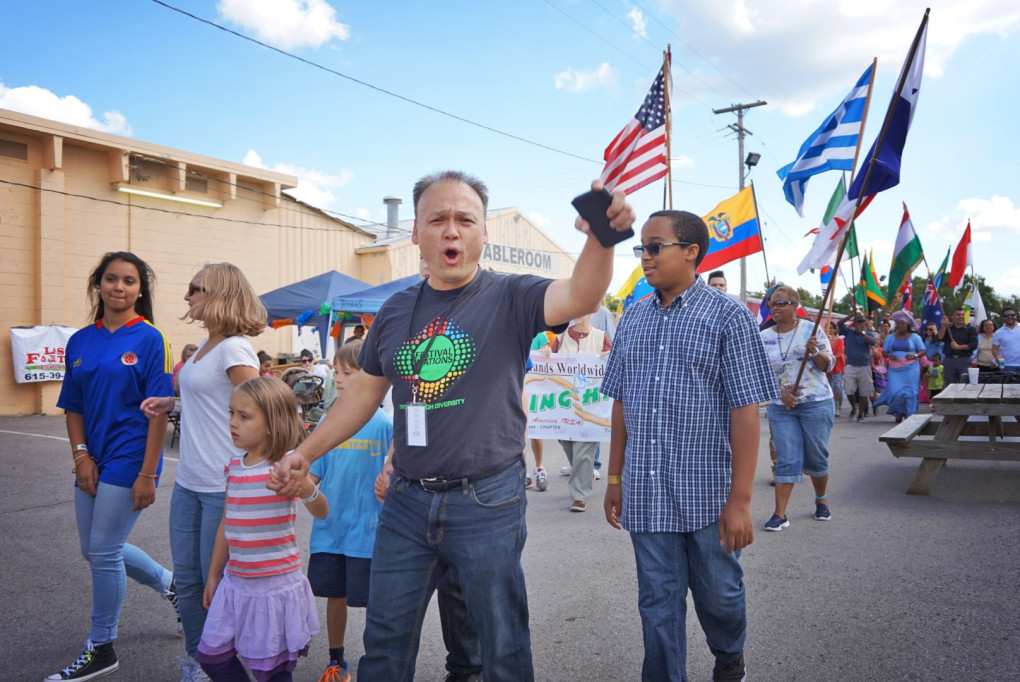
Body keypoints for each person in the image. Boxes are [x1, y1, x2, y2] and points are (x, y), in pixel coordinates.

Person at [269, 171, 634, 681]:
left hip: (488, 500)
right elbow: (362, 396)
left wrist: (601, 236)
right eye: (437, 219)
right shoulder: (395, 311)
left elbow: (582, 295)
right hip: (405, 501)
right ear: (415, 232)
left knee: (501, 645)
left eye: (465, 219)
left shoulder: (511, 296)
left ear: (484, 232)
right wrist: (305, 453)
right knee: (385, 645)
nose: (451, 230)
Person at [601, 210, 776, 681]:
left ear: (691, 251)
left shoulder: (729, 316)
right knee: (657, 604)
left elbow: (745, 410)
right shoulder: (632, 317)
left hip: (710, 494)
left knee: (720, 595)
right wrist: (614, 478)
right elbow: (621, 402)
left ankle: (729, 655)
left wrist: (741, 501)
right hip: (646, 489)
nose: (645, 257)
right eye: (641, 248)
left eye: (655, 246)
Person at [49, 252, 179, 682]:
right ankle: (171, 585)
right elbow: (73, 406)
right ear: (98, 284)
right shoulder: (80, 341)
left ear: (140, 290)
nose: (118, 287)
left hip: (131, 456)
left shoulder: (151, 339)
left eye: (128, 280)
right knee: (95, 550)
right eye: (111, 279)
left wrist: (148, 473)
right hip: (93, 455)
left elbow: (158, 412)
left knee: (104, 551)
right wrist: (81, 456)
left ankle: (102, 646)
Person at [141, 262, 265, 682]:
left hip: (221, 486)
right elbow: (213, 404)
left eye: (194, 288)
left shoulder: (234, 348)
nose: (186, 296)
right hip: (190, 483)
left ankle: (223, 664)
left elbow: (261, 407)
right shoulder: (208, 345)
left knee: (218, 587)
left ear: (219, 293)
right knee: (191, 583)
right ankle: (201, 663)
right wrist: (171, 404)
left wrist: (259, 470)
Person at [195, 378, 327, 682]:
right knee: (213, 657)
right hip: (236, 582)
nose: (232, 422)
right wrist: (214, 574)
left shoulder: (285, 466)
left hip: (274, 585)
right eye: (231, 413)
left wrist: (304, 486)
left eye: (244, 416)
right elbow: (226, 524)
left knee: (272, 672)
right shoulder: (233, 466)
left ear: (271, 423)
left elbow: (322, 510)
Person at [306, 339, 393, 681]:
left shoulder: (386, 424)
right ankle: (336, 659)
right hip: (331, 529)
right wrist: (300, 483)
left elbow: (395, 471)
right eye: (336, 371)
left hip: (370, 532)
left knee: (377, 602)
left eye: (348, 372)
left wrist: (389, 478)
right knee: (335, 595)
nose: (338, 378)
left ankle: (378, 660)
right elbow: (315, 471)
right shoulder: (328, 420)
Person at [760, 285, 835, 532]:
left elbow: (828, 365)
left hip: (816, 402)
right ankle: (780, 514)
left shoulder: (811, 331)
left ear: (795, 306)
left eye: (781, 302)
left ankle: (821, 500)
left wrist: (814, 351)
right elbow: (758, 373)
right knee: (786, 457)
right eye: (772, 303)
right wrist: (779, 393)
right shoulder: (763, 336)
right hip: (781, 407)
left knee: (816, 456)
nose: (775, 307)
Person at [549, 312, 611, 512]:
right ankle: (584, 473)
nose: (576, 315)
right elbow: (548, 366)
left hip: (590, 404)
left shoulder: (601, 337)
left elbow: (613, 363)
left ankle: (579, 496)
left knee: (584, 449)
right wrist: (545, 354)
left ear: (592, 313)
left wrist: (605, 357)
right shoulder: (561, 337)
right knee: (567, 443)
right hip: (565, 403)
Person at [875, 311, 926, 423]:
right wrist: (890, 356)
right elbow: (884, 352)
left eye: (903, 324)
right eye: (898, 323)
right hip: (895, 369)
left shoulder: (915, 337)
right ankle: (899, 411)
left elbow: (923, 351)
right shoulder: (890, 337)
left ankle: (909, 414)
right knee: (894, 391)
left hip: (911, 369)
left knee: (910, 392)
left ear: (908, 325)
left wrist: (914, 355)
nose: (900, 326)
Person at [840, 313, 877, 422]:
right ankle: (854, 408)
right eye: (857, 322)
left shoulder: (869, 333)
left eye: (861, 322)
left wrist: (862, 333)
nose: (859, 324)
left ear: (864, 323)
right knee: (849, 390)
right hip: (850, 366)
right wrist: (850, 315)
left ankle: (860, 415)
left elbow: (872, 342)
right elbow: (839, 323)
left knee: (864, 392)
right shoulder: (848, 332)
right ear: (854, 324)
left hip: (864, 366)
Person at [938, 307, 978, 383]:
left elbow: (973, 345)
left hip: (965, 360)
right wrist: (943, 326)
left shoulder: (971, 329)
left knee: (965, 383)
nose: (961, 317)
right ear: (952, 316)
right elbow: (939, 338)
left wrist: (959, 347)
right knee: (949, 384)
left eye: (962, 315)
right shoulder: (948, 328)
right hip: (949, 360)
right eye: (958, 315)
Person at [826, 319, 846, 416]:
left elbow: (839, 353)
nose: (829, 330)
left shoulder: (839, 340)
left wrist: (830, 358)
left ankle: (837, 406)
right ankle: (830, 405)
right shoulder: (823, 339)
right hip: (826, 366)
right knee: (828, 386)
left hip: (836, 366)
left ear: (834, 329)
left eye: (831, 328)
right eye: (827, 328)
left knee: (837, 386)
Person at [993, 306, 1020, 373]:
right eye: (1006, 315)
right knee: (1006, 384)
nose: (1009, 317)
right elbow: (994, 349)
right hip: (1006, 365)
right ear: (1002, 317)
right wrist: (996, 356)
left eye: (1012, 315)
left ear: (1016, 316)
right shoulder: (998, 332)